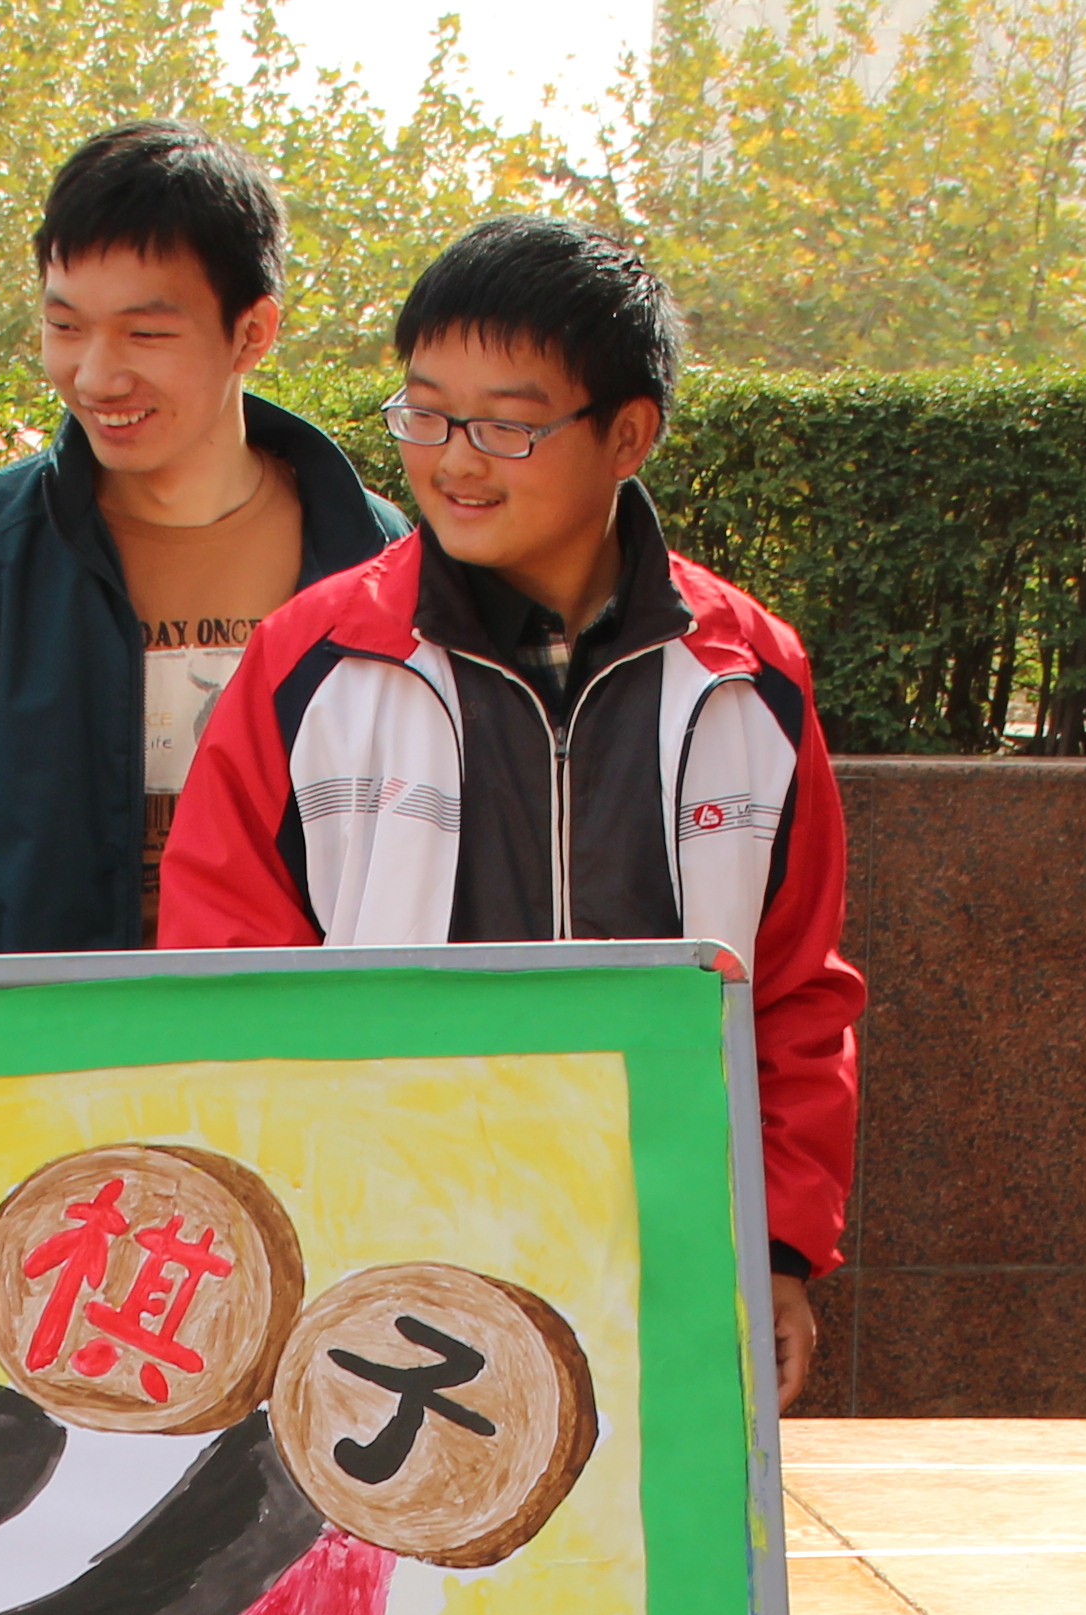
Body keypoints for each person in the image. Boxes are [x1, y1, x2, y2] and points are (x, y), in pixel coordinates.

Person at [155, 216, 859, 1409]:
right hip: (379, 1243)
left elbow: (794, 993)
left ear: (628, 433)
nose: (454, 462)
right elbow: (224, 976)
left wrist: (781, 1247)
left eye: (507, 425)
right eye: (426, 415)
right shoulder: (312, 662)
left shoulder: (749, 676)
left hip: (661, 1244)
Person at [0, 120, 405, 958]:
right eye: (65, 327)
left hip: (304, 1032)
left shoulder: (373, 557)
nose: (96, 376)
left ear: (252, 333)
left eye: (146, 334)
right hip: (52, 1036)